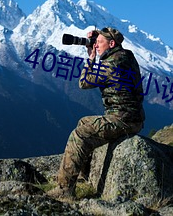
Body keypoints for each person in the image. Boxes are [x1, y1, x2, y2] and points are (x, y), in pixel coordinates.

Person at [47, 27, 145, 199]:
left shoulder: (112, 64)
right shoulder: (126, 56)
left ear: (112, 44)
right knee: (84, 122)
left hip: (122, 120)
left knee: (80, 134)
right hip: (132, 117)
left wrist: (91, 58)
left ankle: (64, 190)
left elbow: (84, 83)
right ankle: (85, 175)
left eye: (100, 43)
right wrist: (97, 38)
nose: (96, 45)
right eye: (96, 42)